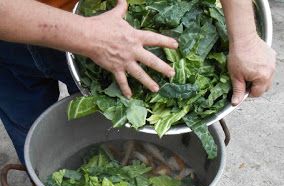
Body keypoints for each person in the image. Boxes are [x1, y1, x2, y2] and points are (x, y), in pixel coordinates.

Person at [0, 0, 276, 165]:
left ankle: (124, 169)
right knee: (28, 126)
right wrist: (87, 35)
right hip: (12, 29)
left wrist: (246, 39)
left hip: (121, 25)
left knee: (108, 121)